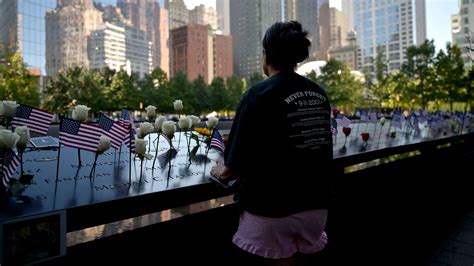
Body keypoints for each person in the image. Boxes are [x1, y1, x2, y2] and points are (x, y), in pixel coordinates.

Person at [211, 21, 334, 265]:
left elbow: (230, 169)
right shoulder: (319, 93)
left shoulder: (258, 94)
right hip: (316, 208)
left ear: (266, 55)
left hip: (271, 209)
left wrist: (218, 170)